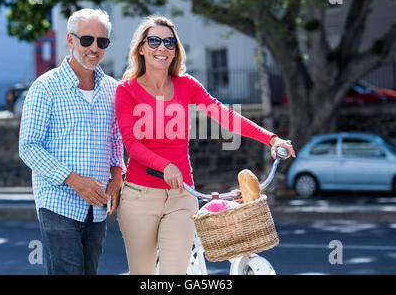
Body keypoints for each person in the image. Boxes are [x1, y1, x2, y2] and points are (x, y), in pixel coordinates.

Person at [115, 15, 296, 275]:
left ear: (175, 49)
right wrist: (164, 165)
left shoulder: (185, 85)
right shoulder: (126, 90)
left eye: (169, 42)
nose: (162, 48)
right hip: (140, 196)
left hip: (181, 195)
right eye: (154, 40)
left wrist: (271, 138)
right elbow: (132, 145)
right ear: (141, 48)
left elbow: (225, 116)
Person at [19, 8, 125, 275]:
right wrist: (74, 180)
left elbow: (115, 140)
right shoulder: (45, 87)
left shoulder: (112, 89)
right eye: (87, 40)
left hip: (98, 207)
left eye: (102, 42)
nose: (95, 48)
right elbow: (28, 147)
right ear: (70, 41)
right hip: (58, 203)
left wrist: (117, 174)